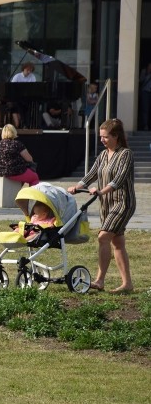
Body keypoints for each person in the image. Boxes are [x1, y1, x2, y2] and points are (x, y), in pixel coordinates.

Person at [68, 119, 135, 294]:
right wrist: (77, 187)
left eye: (105, 137)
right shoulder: (103, 155)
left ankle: (99, 281)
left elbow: (119, 180)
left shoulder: (125, 154)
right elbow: (91, 174)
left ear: (116, 136)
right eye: (101, 137)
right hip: (106, 204)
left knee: (103, 237)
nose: (102, 140)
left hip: (122, 203)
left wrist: (100, 191)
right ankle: (127, 284)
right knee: (117, 242)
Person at [10, 62, 36, 128]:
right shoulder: (17, 76)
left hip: (28, 98)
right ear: (24, 69)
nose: (29, 72)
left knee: (30, 105)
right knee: (20, 104)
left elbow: (34, 88)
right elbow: (11, 87)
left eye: (30, 70)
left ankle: (30, 123)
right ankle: (24, 123)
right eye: (28, 70)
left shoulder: (32, 76)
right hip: (17, 98)